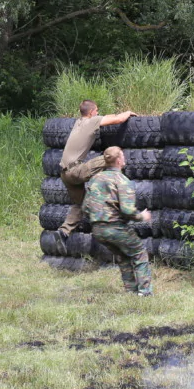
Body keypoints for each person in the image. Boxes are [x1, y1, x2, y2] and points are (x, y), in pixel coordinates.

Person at [58, 100, 136, 236]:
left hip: (64, 174)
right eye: (96, 111)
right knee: (111, 156)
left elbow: (108, 117)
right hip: (76, 171)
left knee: (80, 204)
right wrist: (128, 112)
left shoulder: (79, 122)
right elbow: (118, 119)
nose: (98, 113)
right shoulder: (92, 122)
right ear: (91, 112)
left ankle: (63, 232)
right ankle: (117, 185)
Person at [83, 146, 153, 297]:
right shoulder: (122, 180)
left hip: (97, 229)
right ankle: (145, 292)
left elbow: (85, 207)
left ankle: (131, 291)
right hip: (115, 228)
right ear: (119, 160)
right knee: (139, 253)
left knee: (123, 256)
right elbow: (127, 210)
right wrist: (142, 216)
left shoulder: (95, 179)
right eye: (123, 156)